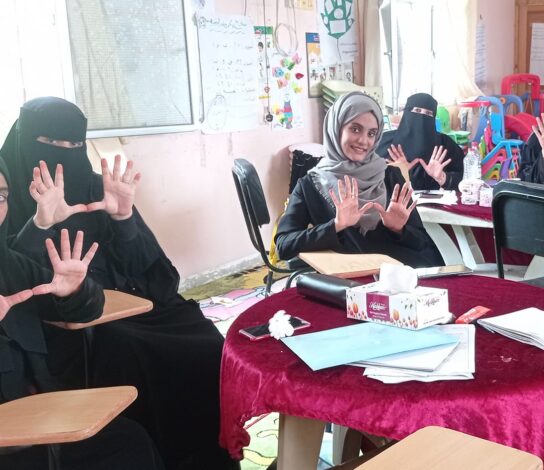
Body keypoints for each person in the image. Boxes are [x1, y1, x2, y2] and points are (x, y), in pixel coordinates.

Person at [0, 97, 235, 470]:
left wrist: (124, 219)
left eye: (74, 144)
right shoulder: (10, 195)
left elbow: (157, 276)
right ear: (25, 142)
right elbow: (16, 280)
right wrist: (40, 224)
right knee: (128, 352)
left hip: (127, 305)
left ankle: (209, 458)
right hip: (68, 329)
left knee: (205, 343)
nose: (64, 155)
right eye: (51, 143)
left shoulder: (99, 188)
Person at [0, 157, 164, 470]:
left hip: (40, 417)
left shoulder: (10, 264)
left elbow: (89, 308)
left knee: (130, 441)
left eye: (0, 196)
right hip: (10, 439)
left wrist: (75, 290)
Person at [275, 92, 443, 268]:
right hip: (350, 276)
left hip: (400, 273)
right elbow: (284, 245)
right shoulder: (310, 184)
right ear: (336, 128)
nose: (364, 141)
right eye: (355, 129)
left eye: (371, 133)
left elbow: (422, 242)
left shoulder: (390, 175)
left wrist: (399, 229)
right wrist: (336, 225)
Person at [376, 93, 465, 190]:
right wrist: (398, 172)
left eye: (428, 113)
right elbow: (372, 181)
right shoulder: (384, 142)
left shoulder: (445, 145)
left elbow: (465, 180)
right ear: (407, 112)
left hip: (436, 199)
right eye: (417, 110)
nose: (422, 117)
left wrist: (442, 178)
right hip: (395, 199)